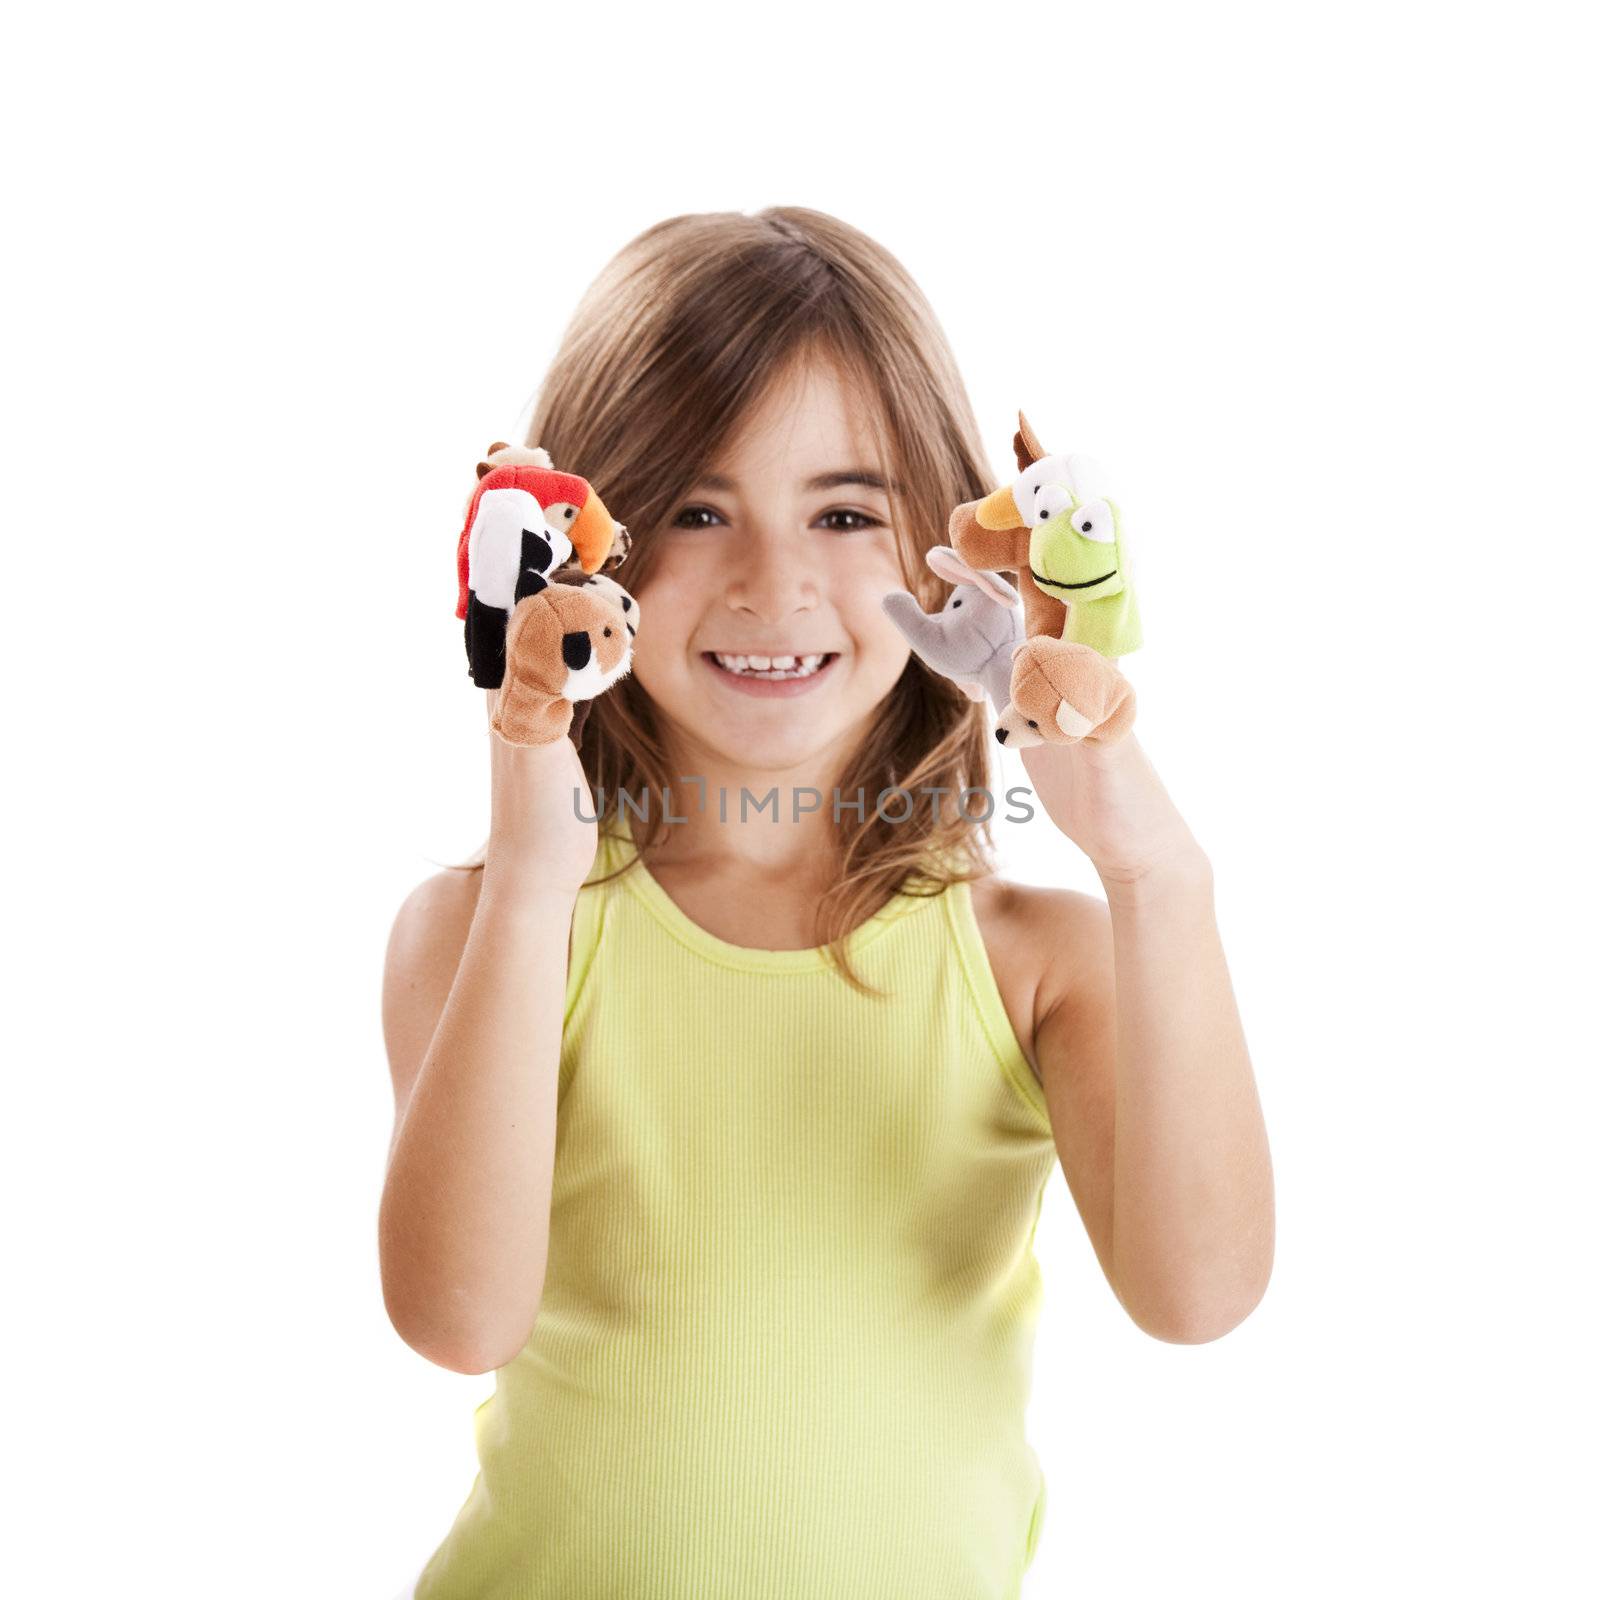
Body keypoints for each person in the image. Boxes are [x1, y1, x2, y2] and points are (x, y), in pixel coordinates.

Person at [379, 206, 1274, 1600]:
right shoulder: (491, 929)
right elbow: (455, 1316)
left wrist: (1157, 871)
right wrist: (536, 873)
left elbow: (1200, 1294)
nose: (774, 582)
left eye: (847, 514)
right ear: (584, 552)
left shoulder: (1040, 962)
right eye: (693, 509)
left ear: (954, 550)